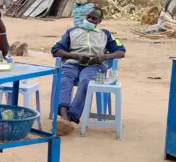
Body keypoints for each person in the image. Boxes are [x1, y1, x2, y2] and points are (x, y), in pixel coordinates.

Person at [51, 7, 126, 135]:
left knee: (86, 81)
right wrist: (76, 56)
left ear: (99, 21)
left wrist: (104, 57)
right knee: (64, 80)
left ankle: (70, 117)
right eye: (88, 17)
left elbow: (121, 51)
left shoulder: (105, 34)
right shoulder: (72, 31)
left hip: (95, 66)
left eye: (94, 18)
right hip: (73, 63)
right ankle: (64, 116)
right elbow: (56, 50)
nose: (90, 20)